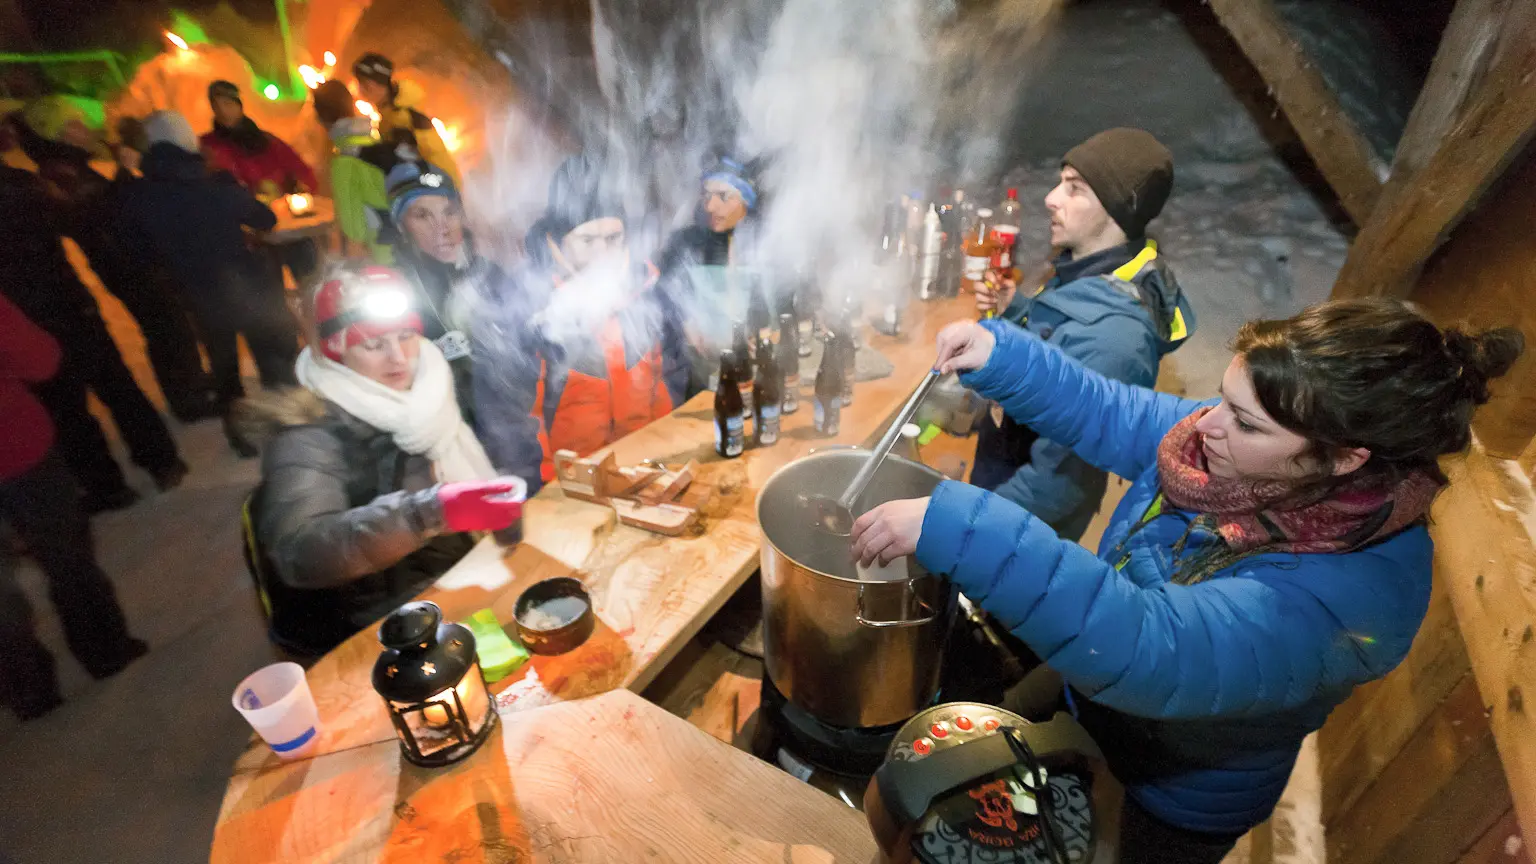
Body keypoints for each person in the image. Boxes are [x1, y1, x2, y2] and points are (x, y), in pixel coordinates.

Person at [850, 301, 1523, 863]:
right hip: (1092, 696)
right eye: (1223, 400)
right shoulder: (1249, 454)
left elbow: (1150, 648)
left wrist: (968, 528)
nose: (1207, 426)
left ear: (1346, 459)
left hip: (1165, 798)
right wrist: (1006, 359)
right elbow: (1120, 415)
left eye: (1245, 421)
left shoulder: (1347, 595)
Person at [234, 265, 521, 657]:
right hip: (373, 622)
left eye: (406, 336)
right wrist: (425, 513)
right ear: (335, 351)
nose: (399, 357)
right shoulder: (306, 434)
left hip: (454, 576)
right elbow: (299, 552)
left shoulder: (432, 389)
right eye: (373, 344)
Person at [973, 127, 1195, 542]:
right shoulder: (1089, 275)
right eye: (1060, 182)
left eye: (1074, 189)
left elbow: (1055, 484)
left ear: (1116, 209)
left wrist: (966, 528)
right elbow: (1060, 346)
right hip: (1003, 482)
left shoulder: (1117, 336)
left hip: (1017, 532)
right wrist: (1019, 311)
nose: (1051, 198)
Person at [475, 152, 687, 491]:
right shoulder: (524, 313)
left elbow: (674, 372)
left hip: (648, 469)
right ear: (557, 244)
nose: (603, 253)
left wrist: (662, 449)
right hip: (569, 488)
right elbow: (509, 424)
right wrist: (542, 492)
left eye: (613, 238)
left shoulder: (648, 292)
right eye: (587, 240)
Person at [0, 161, 187, 512]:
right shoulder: (26, 184)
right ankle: (159, 462)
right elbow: (75, 221)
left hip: (33, 315)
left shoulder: (24, 186)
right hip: (66, 303)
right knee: (111, 386)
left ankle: (109, 484)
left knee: (70, 406)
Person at [20, 98, 216, 425]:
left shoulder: (71, 164)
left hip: (129, 258)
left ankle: (192, 381)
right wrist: (125, 174)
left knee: (174, 323)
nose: (83, 129)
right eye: (74, 124)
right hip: (123, 265)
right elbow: (97, 215)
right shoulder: (58, 172)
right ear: (57, 133)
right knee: (164, 327)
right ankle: (186, 399)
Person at [116, 110, 300, 455]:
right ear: (188, 142)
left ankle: (241, 437)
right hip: (247, 288)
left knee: (225, 370)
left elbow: (138, 250)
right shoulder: (216, 185)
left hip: (200, 298)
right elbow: (265, 217)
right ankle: (287, 427)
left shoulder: (140, 197)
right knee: (272, 359)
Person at [0, 293, 148, 720]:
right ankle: (105, 651)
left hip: (20, 449)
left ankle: (27, 689)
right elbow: (41, 359)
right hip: (18, 450)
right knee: (67, 557)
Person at [387, 160, 507, 426]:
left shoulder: (491, 272)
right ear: (401, 226)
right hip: (445, 420)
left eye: (449, 212)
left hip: (509, 412)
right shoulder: (395, 290)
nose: (442, 227)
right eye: (422, 216)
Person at [657, 155, 770, 397]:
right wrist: (686, 323)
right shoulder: (685, 244)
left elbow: (786, 301)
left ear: (746, 201)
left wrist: (764, 332)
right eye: (706, 196)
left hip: (754, 373)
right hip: (701, 375)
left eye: (723, 196)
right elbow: (664, 293)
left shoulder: (767, 243)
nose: (710, 206)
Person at [201, 80, 322, 287]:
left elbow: (302, 172)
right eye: (216, 105)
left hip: (286, 227)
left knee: (311, 283)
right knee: (268, 297)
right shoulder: (208, 147)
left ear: (239, 104)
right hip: (248, 237)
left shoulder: (266, 141)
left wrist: (298, 190)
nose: (222, 111)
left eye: (227, 103)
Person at [312, 80, 398, 263]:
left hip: (379, 245)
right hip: (401, 233)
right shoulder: (372, 141)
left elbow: (353, 226)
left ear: (322, 119)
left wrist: (353, 260)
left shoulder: (344, 161)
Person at [351, 53, 461, 188]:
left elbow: (432, 153)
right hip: (427, 186)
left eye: (365, 85)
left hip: (439, 186)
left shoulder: (406, 113)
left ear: (377, 84)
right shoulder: (389, 113)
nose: (361, 90)